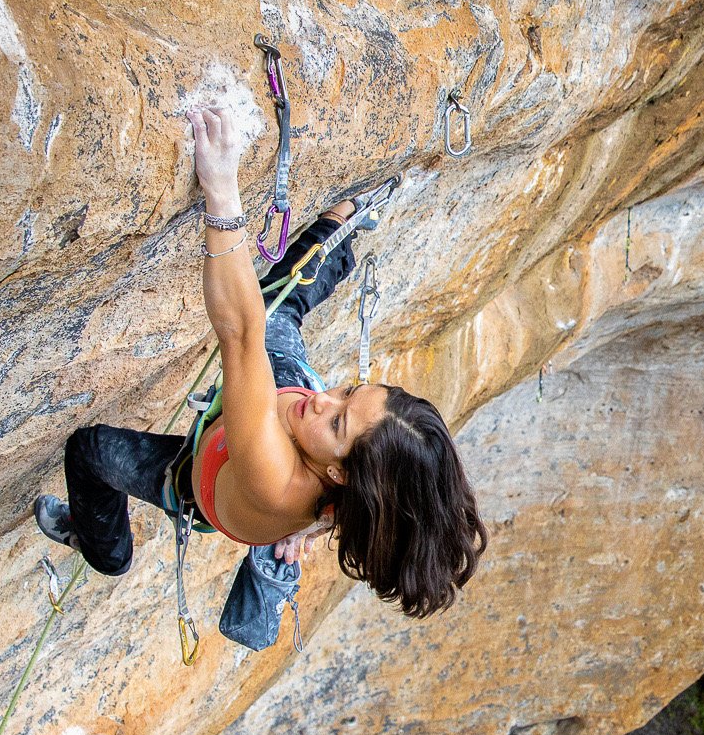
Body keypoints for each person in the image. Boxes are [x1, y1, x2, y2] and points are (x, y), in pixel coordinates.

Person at [33, 105, 486, 649]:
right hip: (279, 419)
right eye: (347, 392)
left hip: (207, 475)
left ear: (338, 475)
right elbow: (325, 421)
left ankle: (105, 552)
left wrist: (221, 191)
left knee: (90, 451)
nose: (324, 400)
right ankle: (343, 238)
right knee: (283, 309)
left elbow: (240, 331)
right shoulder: (357, 475)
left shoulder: (275, 476)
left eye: (339, 421)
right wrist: (314, 524)